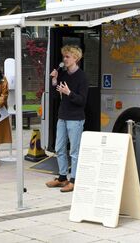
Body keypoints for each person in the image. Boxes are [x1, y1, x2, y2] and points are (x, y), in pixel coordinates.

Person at [46, 45, 88, 192]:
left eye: (67, 56)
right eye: (64, 56)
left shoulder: (82, 77)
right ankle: (62, 177)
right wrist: (54, 80)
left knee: (74, 152)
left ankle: (74, 180)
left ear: (75, 58)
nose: (64, 59)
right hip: (62, 116)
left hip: (75, 119)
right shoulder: (63, 74)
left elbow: (82, 101)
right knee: (59, 148)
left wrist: (69, 93)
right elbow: (54, 96)